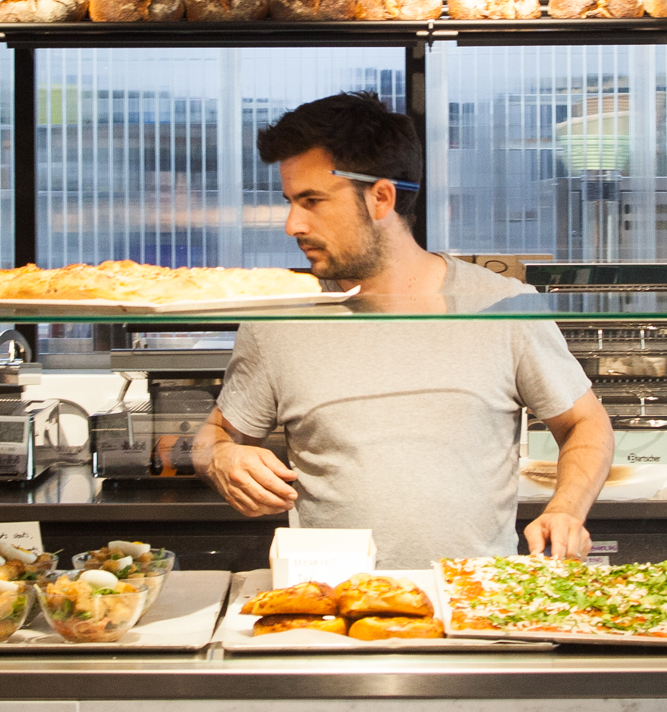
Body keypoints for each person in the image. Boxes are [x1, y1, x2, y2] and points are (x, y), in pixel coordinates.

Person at [196, 92, 614, 566]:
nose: (292, 224)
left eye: (311, 201)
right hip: (333, 610)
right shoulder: (278, 317)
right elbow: (214, 438)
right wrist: (222, 459)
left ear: (380, 197)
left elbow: (586, 423)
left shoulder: (504, 306)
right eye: (291, 201)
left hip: (473, 606)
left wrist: (566, 511)